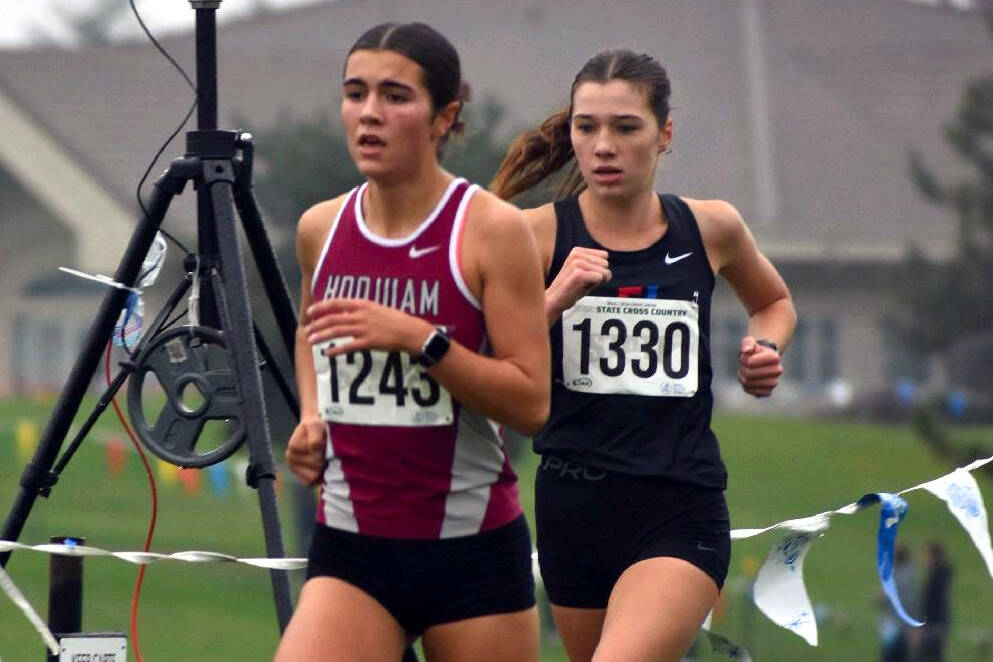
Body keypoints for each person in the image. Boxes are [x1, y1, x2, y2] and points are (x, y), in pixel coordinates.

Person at [491, 49, 797, 661]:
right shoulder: (531, 235)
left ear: (664, 134)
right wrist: (554, 299)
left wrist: (765, 348)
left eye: (625, 127)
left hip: (679, 505)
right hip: (571, 508)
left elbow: (775, 301)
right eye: (587, 127)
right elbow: (480, 357)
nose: (604, 145)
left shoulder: (711, 228)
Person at [275, 22, 550, 662]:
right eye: (355, 92)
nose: (369, 113)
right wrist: (312, 417)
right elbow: (312, 334)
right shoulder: (322, 227)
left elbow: (531, 403)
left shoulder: (491, 231)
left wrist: (420, 340)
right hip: (352, 547)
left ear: (443, 116)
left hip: (470, 553)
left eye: (395, 96)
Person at [916, 541, 952, 661]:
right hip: (940, 622)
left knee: (927, 656)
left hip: (932, 625)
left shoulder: (935, 578)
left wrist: (922, 626)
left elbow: (930, 604)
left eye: (926, 555)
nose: (923, 559)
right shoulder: (942, 574)